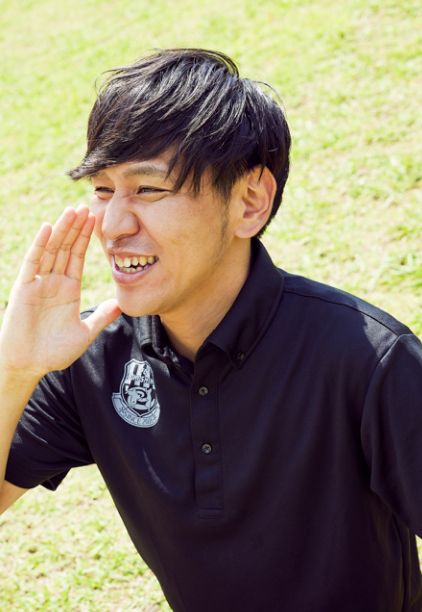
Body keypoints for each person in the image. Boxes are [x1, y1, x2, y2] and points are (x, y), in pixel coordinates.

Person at [0, 48, 421, 612]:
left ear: (249, 201)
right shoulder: (92, 359)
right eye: (102, 190)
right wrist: (14, 370)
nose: (113, 225)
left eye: (148, 189)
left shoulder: (367, 360)